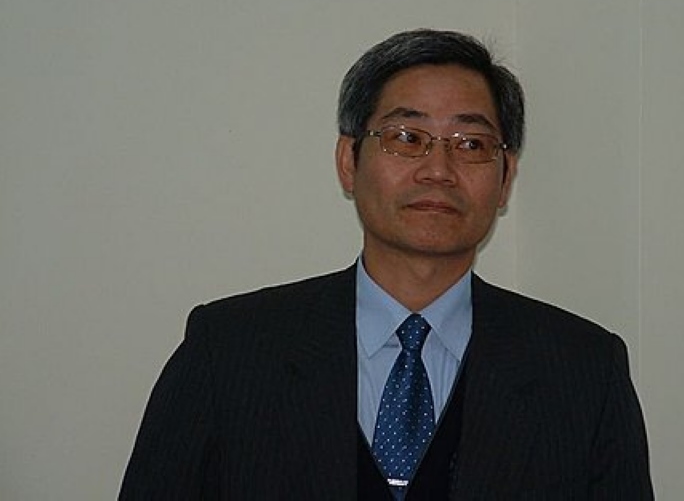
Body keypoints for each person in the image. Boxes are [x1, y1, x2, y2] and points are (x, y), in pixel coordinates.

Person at [120, 29, 654, 499]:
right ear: (348, 162)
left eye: (471, 144)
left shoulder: (585, 372)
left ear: (505, 179)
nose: (438, 169)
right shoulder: (228, 351)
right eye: (406, 138)